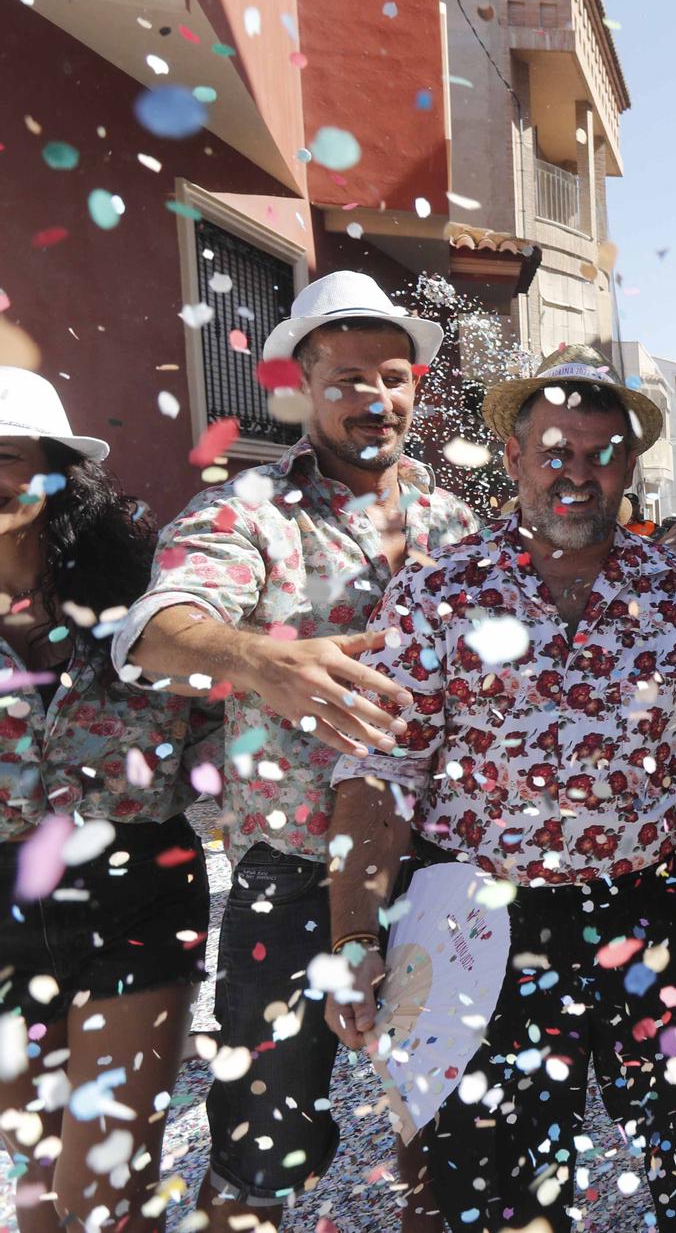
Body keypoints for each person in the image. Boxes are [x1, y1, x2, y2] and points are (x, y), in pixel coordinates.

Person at [321, 349, 676, 1229]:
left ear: (629, 467)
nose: (576, 474)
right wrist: (355, 933)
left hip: (654, 907)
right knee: (500, 1184)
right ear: (513, 457)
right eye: (554, 450)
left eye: (600, 454)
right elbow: (382, 767)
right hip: (486, 924)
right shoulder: (439, 591)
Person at [114, 270, 479, 1229]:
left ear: (418, 387)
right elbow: (155, 630)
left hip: (443, 865)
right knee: (258, 1141)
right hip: (295, 874)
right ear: (302, 383)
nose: (376, 396)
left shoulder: (457, 524)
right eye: (348, 375)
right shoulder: (251, 513)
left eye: (394, 376)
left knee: (443, 1124)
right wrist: (258, 660)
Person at [0, 370, 216, 1233]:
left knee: (104, 1196)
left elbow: (218, 716)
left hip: (136, 885)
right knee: (37, 1177)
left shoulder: (143, 589)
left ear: (55, 471)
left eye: (7, 455)